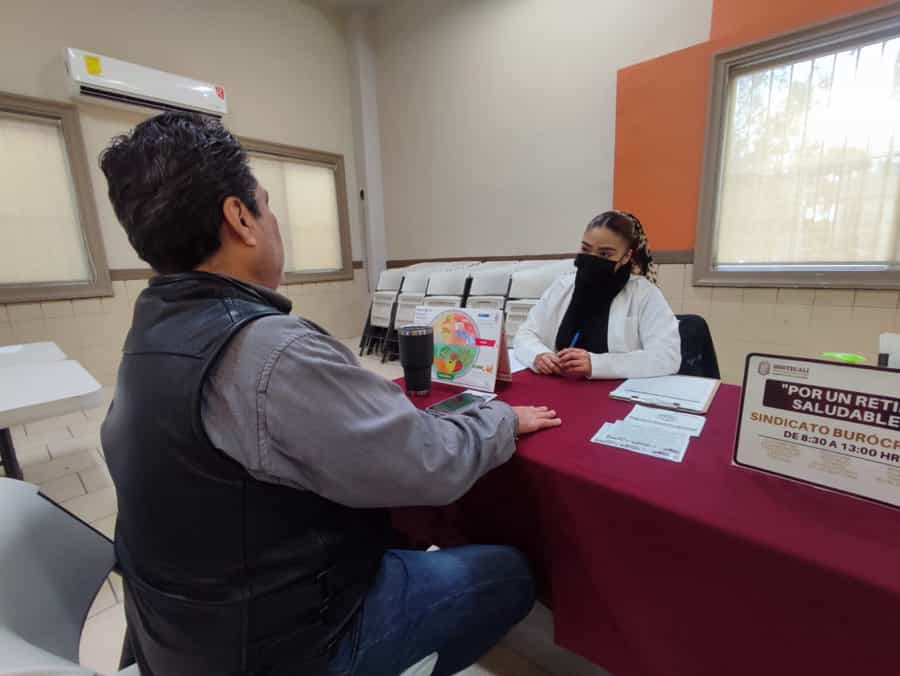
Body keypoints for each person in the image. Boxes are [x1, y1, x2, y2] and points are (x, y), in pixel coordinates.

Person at [98, 112, 561, 676]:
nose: (273, 222)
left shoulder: (146, 334)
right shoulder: (269, 351)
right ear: (239, 217)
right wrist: (502, 422)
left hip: (182, 637)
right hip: (284, 648)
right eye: (266, 204)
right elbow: (430, 464)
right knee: (508, 573)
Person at [514, 211, 681, 380]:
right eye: (586, 249)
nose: (592, 259)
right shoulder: (563, 286)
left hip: (616, 395)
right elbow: (525, 333)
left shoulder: (643, 293)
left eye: (605, 254)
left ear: (626, 256)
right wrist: (539, 355)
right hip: (561, 386)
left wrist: (597, 364)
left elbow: (667, 356)